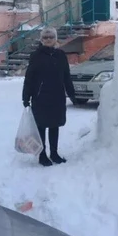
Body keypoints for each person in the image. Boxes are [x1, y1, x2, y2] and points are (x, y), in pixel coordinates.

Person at [21, 26, 77, 167]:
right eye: (45, 37)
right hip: (40, 97)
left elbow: (66, 76)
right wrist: (26, 97)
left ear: (55, 39)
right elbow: (29, 77)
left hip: (57, 97)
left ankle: (54, 153)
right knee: (41, 126)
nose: (48, 40)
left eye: (51, 37)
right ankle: (42, 154)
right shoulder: (36, 56)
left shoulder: (61, 55)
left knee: (54, 125)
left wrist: (72, 94)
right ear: (41, 40)